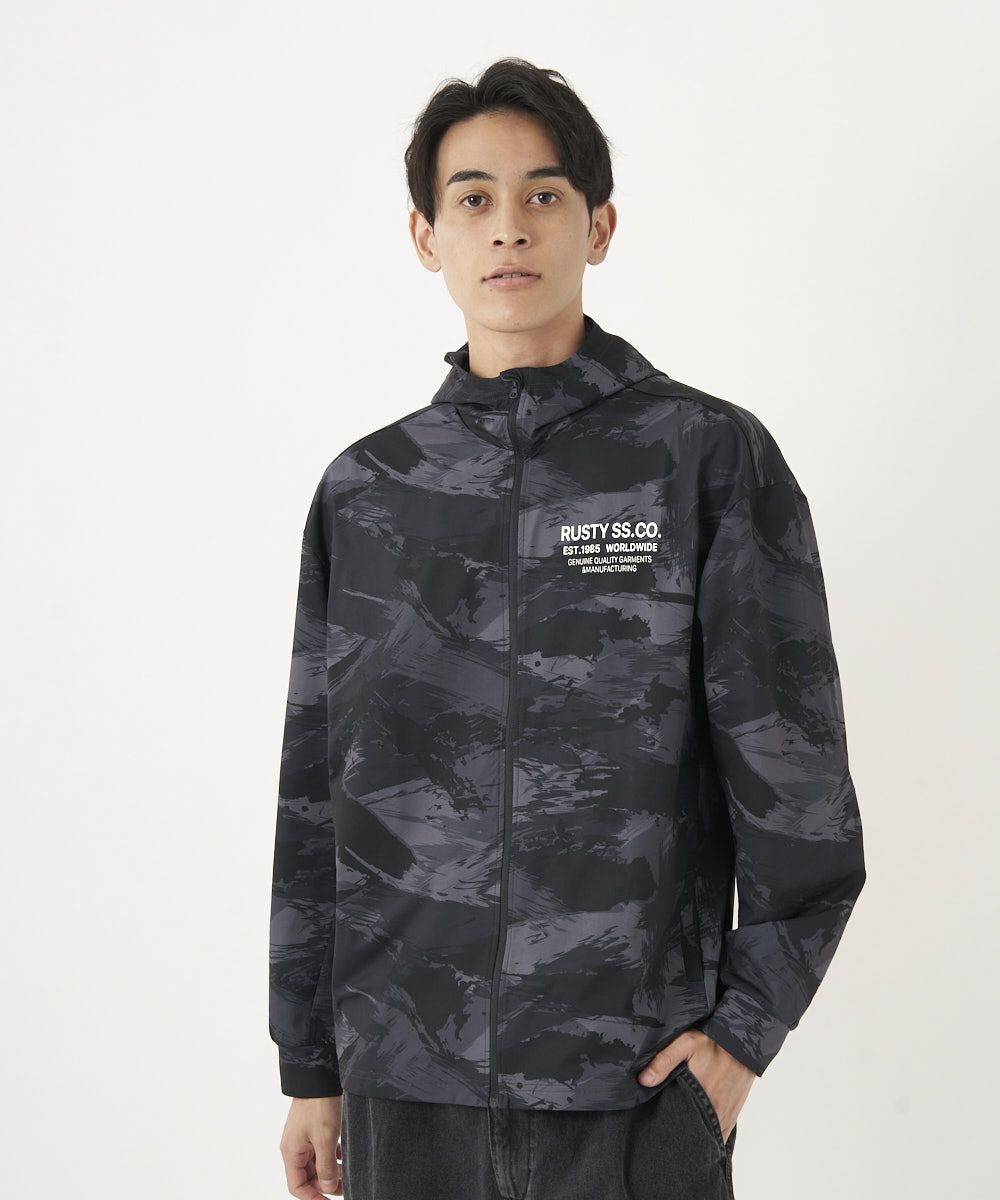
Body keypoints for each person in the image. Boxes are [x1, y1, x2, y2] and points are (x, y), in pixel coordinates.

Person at [268, 57, 867, 1200]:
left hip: (632, 1093)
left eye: (542, 195)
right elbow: (315, 797)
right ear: (425, 236)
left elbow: (799, 795)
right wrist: (310, 1065)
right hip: (405, 1095)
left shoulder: (704, 459)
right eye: (473, 199)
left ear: (598, 226)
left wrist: (739, 1042)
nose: (509, 227)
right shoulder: (368, 491)